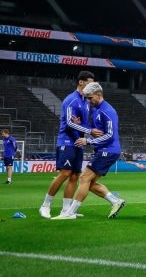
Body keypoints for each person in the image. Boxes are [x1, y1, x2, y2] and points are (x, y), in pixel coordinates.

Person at [52, 82, 125, 219]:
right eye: (86, 98)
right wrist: (81, 125)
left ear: (99, 95)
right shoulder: (97, 109)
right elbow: (97, 130)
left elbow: (110, 135)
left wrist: (88, 141)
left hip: (108, 150)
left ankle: (70, 213)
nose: (88, 101)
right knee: (89, 184)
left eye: (90, 98)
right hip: (104, 150)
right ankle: (116, 201)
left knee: (84, 178)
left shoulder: (107, 111)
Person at [39, 70, 98, 219]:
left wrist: (88, 130)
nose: (92, 86)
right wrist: (89, 130)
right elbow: (70, 123)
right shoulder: (71, 100)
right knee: (65, 173)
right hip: (66, 140)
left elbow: (82, 123)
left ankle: (66, 210)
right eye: (90, 83)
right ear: (81, 82)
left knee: (74, 175)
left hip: (78, 142)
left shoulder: (86, 101)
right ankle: (45, 205)